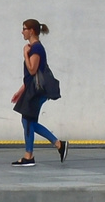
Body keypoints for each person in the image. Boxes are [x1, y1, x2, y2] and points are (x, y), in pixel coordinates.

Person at [9, 19, 66, 166]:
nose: (22, 32)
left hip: (36, 92)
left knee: (27, 121)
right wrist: (20, 91)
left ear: (31, 31)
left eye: (24, 29)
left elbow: (32, 69)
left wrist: (25, 55)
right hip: (31, 90)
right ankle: (58, 144)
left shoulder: (36, 49)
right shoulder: (34, 48)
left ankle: (30, 155)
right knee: (29, 121)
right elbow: (32, 77)